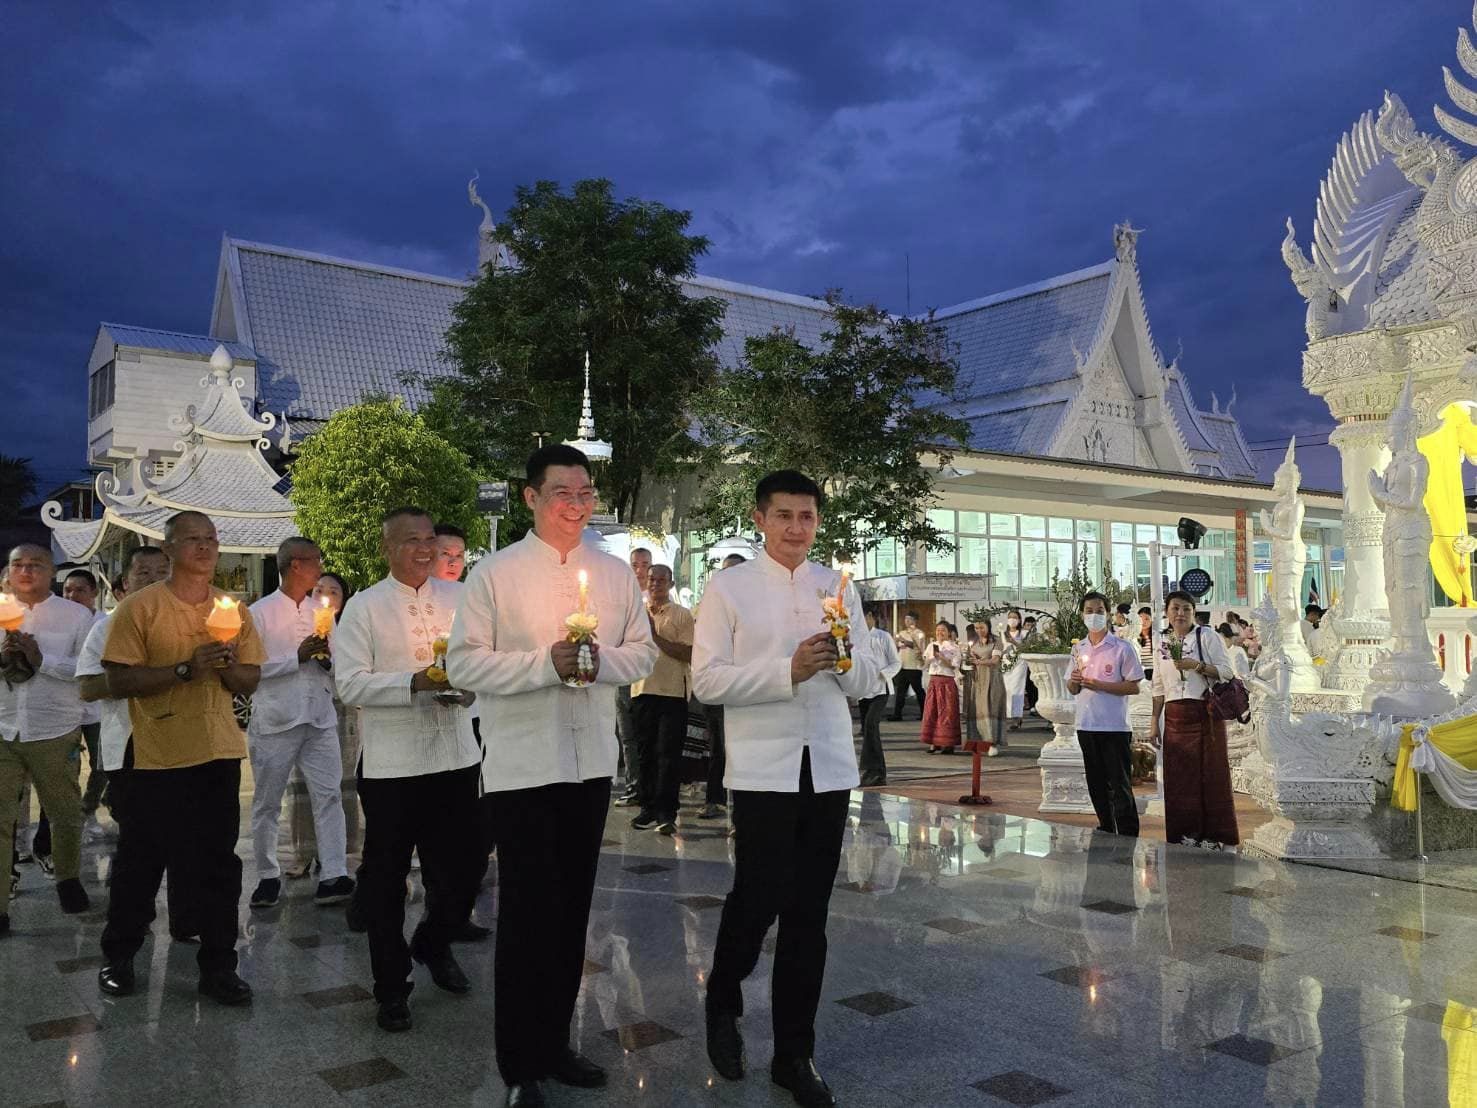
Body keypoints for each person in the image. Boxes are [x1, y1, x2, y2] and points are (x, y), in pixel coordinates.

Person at [448, 445, 655, 1108]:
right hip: (523, 765)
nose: (575, 506)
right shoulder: (496, 574)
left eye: (585, 493)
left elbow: (641, 651)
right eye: (561, 493)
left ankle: (556, 1041)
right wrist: (547, 662)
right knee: (527, 916)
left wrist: (595, 663)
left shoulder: (614, 573)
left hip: (590, 762)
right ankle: (518, 1061)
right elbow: (464, 666)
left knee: (571, 915)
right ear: (530, 497)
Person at [693, 468, 878, 1108]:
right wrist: (786, 670)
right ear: (759, 518)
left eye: (808, 517)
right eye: (784, 516)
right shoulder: (729, 587)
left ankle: (794, 1054)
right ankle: (724, 989)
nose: (797, 528)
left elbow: (865, 684)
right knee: (759, 891)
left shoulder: (838, 586)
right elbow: (707, 682)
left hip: (826, 764)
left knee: (810, 913)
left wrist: (850, 659)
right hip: (765, 768)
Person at [98, 512, 264, 1004]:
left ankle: (218, 966)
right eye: (193, 538)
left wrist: (229, 668)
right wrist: (184, 669)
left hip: (219, 751)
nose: (205, 546)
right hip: (156, 755)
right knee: (140, 862)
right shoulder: (141, 609)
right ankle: (121, 955)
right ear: (168, 549)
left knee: (218, 864)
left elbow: (251, 680)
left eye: (211, 538)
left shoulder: (234, 610)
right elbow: (118, 681)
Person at [334, 507, 482, 1032]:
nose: (424, 549)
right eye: (410, 541)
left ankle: (433, 942)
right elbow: (348, 684)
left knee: (464, 872)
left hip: (457, 757)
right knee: (387, 881)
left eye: (429, 540)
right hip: (394, 766)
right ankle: (391, 987)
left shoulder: (463, 600)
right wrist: (412, 683)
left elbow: (483, 667)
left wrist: (470, 691)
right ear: (386, 549)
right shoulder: (365, 608)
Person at [76, 546, 195, 941]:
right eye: (144, 573)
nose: (155, 580)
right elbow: (88, 687)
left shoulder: (189, 623)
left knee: (188, 841)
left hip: (186, 742)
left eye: (164, 572)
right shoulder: (107, 627)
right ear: (126, 583)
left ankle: (186, 918)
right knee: (138, 847)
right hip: (131, 745)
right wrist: (141, 678)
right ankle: (128, 933)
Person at [245, 538, 353, 910]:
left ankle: (334, 873)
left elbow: (338, 662)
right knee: (267, 803)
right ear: (295, 565)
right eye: (315, 562)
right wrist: (296, 657)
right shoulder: (259, 613)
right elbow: (250, 671)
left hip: (319, 716)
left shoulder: (320, 611)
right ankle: (266, 875)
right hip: (277, 718)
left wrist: (326, 662)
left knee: (329, 795)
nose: (320, 568)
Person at [0, 543, 96, 935]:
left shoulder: (75, 616)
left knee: (65, 812)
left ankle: (68, 878)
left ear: (52, 572)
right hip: (2, 728)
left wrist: (42, 661)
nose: (26, 571)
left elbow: (87, 671)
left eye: (35, 564)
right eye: (18, 564)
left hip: (54, 729)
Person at [431, 522, 494, 943]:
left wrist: (472, 690)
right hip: (417, 729)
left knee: (469, 831)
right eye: (445, 554)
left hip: (469, 728)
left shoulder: (472, 597)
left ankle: (454, 914)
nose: (453, 563)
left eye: (459, 555)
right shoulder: (399, 600)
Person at [1149, 591, 1238, 849]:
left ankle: (1215, 835)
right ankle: (1184, 833)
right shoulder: (1162, 643)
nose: (1180, 614)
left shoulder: (1206, 636)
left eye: (1186, 609)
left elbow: (1226, 672)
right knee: (1179, 778)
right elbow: (1158, 686)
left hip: (1204, 714)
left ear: (1193, 612)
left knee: (1210, 775)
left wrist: (1196, 666)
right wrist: (1155, 720)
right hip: (1175, 716)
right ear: (1167, 612)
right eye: (1175, 608)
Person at [1066, 591, 1145, 837]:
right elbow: (1071, 687)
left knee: (1119, 782)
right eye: (1089, 611)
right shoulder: (1078, 649)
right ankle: (1105, 826)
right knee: (1096, 782)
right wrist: (1076, 680)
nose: (1094, 615)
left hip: (1114, 726)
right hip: (1087, 724)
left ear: (1108, 614)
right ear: (1082, 615)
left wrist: (1100, 685)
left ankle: (1128, 832)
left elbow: (1134, 685)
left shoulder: (1122, 647)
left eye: (1099, 610)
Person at [629, 564, 694, 836]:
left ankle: (667, 811)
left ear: (670, 584)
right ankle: (647, 807)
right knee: (645, 752)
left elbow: (688, 653)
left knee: (668, 754)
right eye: (652, 579)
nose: (655, 584)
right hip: (642, 690)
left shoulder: (681, 614)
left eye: (661, 580)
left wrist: (654, 636)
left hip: (671, 693)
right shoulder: (637, 613)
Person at [699, 552, 748, 820]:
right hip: (719, 696)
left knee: (743, 754)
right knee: (718, 750)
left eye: (736, 571)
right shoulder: (713, 605)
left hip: (748, 694)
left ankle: (741, 816)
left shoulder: (755, 608)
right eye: (725, 571)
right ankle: (714, 800)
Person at [63, 568, 111, 825]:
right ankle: (70, 815)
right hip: (66, 707)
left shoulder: (104, 624)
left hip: (96, 709)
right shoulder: (58, 623)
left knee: (101, 763)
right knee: (68, 766)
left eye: (80, 590)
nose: (72, 595)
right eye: (67, 590)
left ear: (94, 593)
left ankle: (88, 806)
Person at [614, 547, 654, 808]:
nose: (639, 570)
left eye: (644, 565)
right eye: (635, 565)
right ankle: (633, 785)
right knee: (626, 734)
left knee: (645, 735)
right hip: (622, 676)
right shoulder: (622, 598)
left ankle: (649, 788)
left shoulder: (659, 597)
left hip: (648, 679)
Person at [857, 607, 900, 787]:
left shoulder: (883, 637)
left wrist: (882, 674)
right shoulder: (856, 638)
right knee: (867, 730)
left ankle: (877, 771)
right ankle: (868, 769)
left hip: (880, 689)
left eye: (863, 616)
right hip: (863, 690)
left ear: (870, 617)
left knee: (871, 725)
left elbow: (896, 662)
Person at [962, 617, 1006, 753]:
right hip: (977, 679)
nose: (979, 631)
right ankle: (978, 739)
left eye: (982, 627)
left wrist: (979, 662)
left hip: (992, 678)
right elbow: (970, 660)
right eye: (976, 628)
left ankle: (991, 742)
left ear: (988, 627)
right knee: (977, 709)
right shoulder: (974, 642)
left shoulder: (996, 641)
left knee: (990, 708)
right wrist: (967, 660)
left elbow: (995, 660)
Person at [919, 621, 962, 755]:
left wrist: (942, 657)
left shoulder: (954, 647)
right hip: (934, 681)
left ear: (948, 632)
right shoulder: (931, 645)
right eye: (938, 630)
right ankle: (934, 742)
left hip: (947, 681)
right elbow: (925, 664)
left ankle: (947, 743)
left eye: (943, 630)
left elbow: (953, 666)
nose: (940, 633)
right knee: (932, 711)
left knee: (947, 713)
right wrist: (928, 658)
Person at [889, 612, 927, 721]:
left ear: (914, 620)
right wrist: (897, 641)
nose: (907, 622)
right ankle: (897, 714)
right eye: (905, 619)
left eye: (909, 619)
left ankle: (924, 713)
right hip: (903, 666)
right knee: (901, 691)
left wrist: (905, 641)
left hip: (914, 666)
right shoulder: (902, 633)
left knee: (918, 690)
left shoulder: (919, 633)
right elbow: (898, 645)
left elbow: (917, 645)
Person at [1001, 608, 1028, 735]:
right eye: (1010, 617)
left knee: (1017, 689)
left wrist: (1014, 642)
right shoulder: (1003, 633)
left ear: (1019, 620)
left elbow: (1026, 648)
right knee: (1006, 690)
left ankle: (1017, 717)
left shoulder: (1023, 633)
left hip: (1019, 664)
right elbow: (1001, 647)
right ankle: (1007, 716)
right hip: (1005, 664)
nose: (1012, 619)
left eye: (1015, 617)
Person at [1135, 606, 1155, 680]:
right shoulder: (1135, 638)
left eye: (1146, 618)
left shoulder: (1156, 637)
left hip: (1155, 672)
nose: (1143, 621)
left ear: (1151, 620)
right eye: (1140, 618)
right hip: (1140, 674)